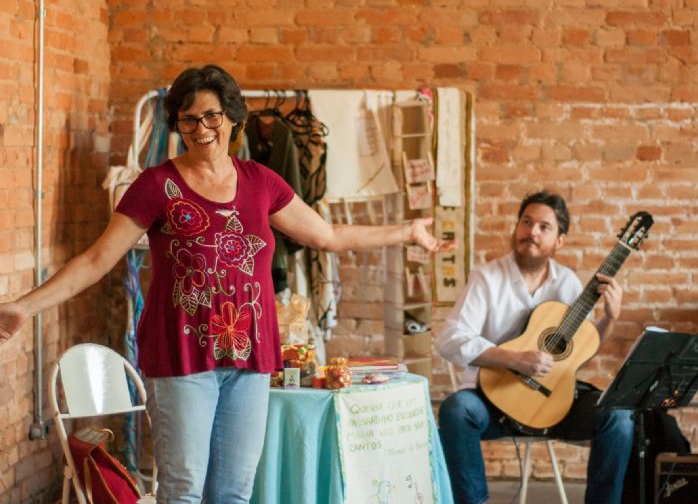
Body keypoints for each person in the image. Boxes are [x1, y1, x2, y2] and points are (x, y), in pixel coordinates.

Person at [0, 65, 453, 504]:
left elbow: (328, 236)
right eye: (188, 118)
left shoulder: (261, 183)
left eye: (211, 116)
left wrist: (407, 231)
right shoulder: (156, 185)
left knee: (234, 493)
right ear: (177, 123)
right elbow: (97, 259)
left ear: (233, 118)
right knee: (183, 493)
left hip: (250, 356)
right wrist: (24, 306)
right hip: (181, 357)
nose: (201, 129)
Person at [436, 190, 633, 504]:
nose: (532, 231)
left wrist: (610, 318)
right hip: (493, 401)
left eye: (544, 227)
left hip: (554, 402)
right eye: (526, 222)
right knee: (456, 410)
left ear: (560, 241)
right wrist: (513, 359)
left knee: (619, 416)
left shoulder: (567, 283)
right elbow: (449, 340)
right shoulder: (487, 278)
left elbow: (581, 349)